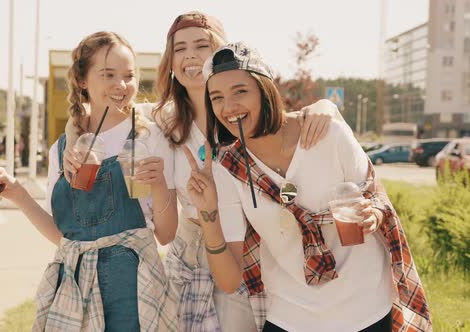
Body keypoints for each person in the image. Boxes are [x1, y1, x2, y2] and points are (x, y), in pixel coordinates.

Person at [183, 41, 431, 332]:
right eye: (217, 97)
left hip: (365, 305)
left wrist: (371, 216)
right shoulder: (229, 168)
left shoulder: (329, 133)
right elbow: (229, 281)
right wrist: (208, 213)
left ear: (265, 92)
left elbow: (377, 201)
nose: (228, 107)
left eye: (240, 91)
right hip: (292, 315)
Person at [152, 12, 341, 332]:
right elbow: (165, 233)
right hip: (192, 252)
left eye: (202, 45)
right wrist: (157, 183)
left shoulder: (241, 113)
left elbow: (284, 127)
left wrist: (327, 106)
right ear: (170, 62)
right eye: (180, 48)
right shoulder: (164, 126)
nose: (191, 56)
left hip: (252, 244)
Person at [0, 31, 178, 331]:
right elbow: (65, 237)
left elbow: (165, 235)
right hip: (73, 288)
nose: (121, 85)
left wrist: (160, 184)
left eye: (129, 75)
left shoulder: (146, 139)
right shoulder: (62, 149)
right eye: (108, 74)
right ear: (82, 80)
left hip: (134, 291)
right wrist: (18, 193)